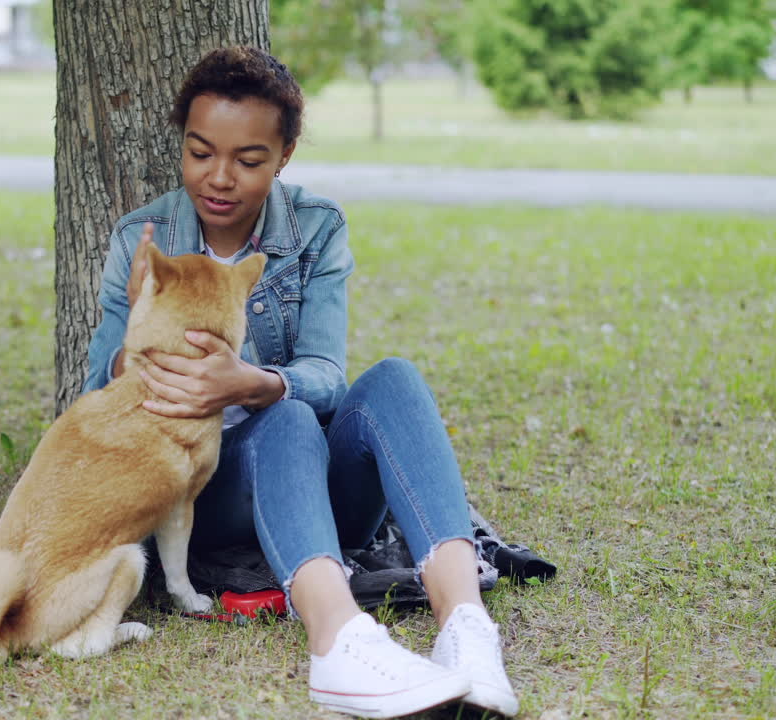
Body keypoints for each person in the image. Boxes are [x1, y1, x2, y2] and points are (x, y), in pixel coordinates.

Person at [80, 46, 519, 719]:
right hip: (199, 497)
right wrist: (142, 328)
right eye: (200, 153)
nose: (219, 177)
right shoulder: (142, 238)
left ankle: (465, 631)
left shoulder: (316, 228)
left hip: (310, 490)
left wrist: (247, 381)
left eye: (248, 160)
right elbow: (90, 397)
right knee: (281, 418)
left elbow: (326, 377)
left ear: (283, 157)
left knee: (385, 381)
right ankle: (339, 640)